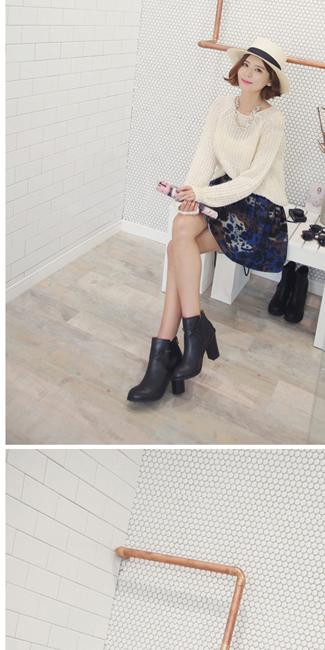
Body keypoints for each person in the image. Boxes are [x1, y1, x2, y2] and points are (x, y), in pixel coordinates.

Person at [127, 47, 290, 406]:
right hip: (223, 194)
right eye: (246, 64)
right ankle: (189, 332)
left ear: (270, 80)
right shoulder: (220, 106)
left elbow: (252, 179)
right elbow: (204, 156)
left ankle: (169, 348)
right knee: (181, 229)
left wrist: (202, 193)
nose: (248, 73)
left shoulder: (273, 120)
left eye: (259, 70)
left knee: (177, 248)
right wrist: (190, 194)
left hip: (258, 208)